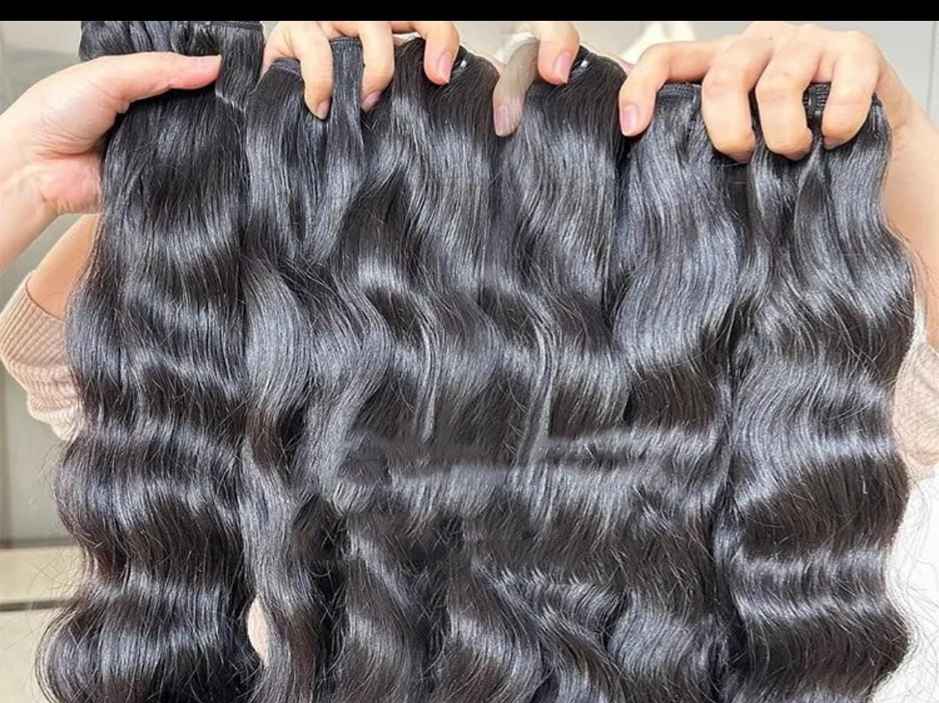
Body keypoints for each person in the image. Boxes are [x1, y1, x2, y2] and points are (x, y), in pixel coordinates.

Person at [1, 20, 937, 479]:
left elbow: (920, 413)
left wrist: (899, 135)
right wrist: (142, 173)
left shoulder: (684, 397)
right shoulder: (303, 383)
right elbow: (49, 356)